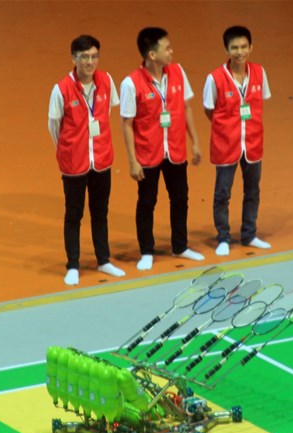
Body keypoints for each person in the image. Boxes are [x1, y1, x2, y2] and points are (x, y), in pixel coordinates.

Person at [120, 27, 204, 271]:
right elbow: (127, 124)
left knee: (180, 198)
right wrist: (132, 161)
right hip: (148, 153)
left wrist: (195, 142)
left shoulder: (178, 72)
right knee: (147, 201)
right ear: (152, 55)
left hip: (175, 149)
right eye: (167, 48)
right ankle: (146, 251)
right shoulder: (131, 83)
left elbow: (186, 108)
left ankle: (180, 246)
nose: (171, 51)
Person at [49, 35, 126, 286]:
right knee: (74, 214)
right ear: (74, 58)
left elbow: (107, 112)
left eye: (94, 56)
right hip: (74, 163)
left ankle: (103, 260)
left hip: (101, 160)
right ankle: (73, 265)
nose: (90, 62)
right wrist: (68, 149)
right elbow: (54, 125)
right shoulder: (61, 89)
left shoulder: (107, 81)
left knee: (100, 212)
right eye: (84, 57)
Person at [204, 25, 272, 256]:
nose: (240, 52)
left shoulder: (260, 73)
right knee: (222, 193)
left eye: (244, 46)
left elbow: (261, 101)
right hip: (226, 145)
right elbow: (209, 109)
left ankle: (249, 234)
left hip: (252, 143)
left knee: (253, 190)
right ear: (226, 49)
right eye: (234, 47)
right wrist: (225, 129)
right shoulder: (214, 78)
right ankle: (223, 237)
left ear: (251, 47)